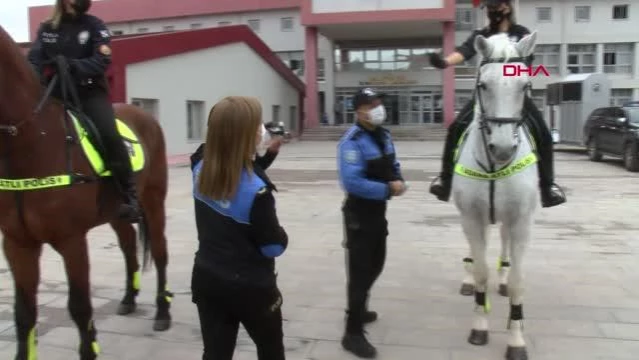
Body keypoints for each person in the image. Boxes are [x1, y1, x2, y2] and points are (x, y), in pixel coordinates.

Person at [427, 0, 566, 208]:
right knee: (455, 128)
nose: (493, 12)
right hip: (487, 95)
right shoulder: (481, 35)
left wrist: (506, 73)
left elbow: (525, 66)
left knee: (544, 133)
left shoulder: (522, 34)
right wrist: (445, 62)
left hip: (514, 96)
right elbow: (464, 52)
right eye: (489, 8)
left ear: (507, 7)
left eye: (496, 7)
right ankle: (445, 180)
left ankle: (548, 187)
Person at [190, 96, 288, 360]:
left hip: (207, 278)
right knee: (271, 351)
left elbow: (230, 168)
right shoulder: (258, 192)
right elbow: (272, 247)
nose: (263, 130)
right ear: (244, 136)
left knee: (215, 353)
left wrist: (267, 157)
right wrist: (283, 234)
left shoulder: (200, 165)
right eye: (258, 125)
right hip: (251, 288)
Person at [27, 0, 140, 221]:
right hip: (56, 94)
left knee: (108, 134)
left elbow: (101, 60)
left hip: (89, 94)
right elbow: (34, 61)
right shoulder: (47, 28)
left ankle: (130, 196)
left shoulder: (94, 26)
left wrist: (72, 65)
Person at [337, 88, 407, 358]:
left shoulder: (384, 135)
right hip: (359, 215)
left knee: (376, 264)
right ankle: (352, 333)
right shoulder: (351, 141)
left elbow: (393, 164)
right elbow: (352, 182)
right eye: (371, 104)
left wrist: (398, 180)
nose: (378, 107)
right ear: (359, 111)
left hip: (378, 213)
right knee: (359, 273)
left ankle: (360, 308)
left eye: (378, 102)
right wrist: (388, 190)